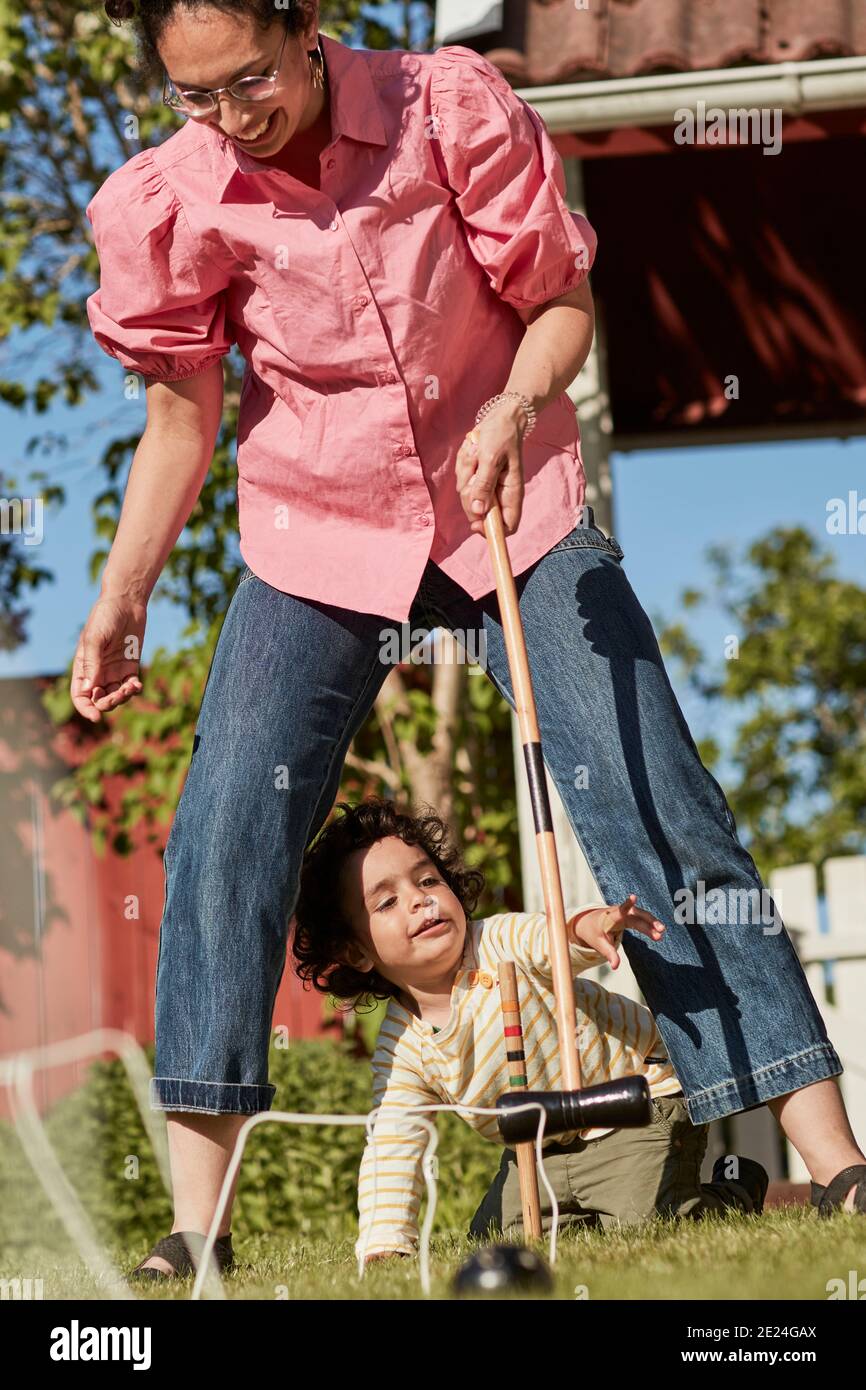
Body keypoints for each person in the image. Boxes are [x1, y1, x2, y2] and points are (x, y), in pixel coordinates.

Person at [75, 2, 864, 1279]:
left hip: (511, 502)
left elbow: (559, 305)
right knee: (225, 823)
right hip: (315, 537)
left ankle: (830, 1159)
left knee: (651, 796)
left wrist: (511, 399)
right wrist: (120, 597)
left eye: (253, 79)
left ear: (309, 26)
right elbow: (180, 421)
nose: (233, 117)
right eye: (196, 95)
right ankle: (193, 1232)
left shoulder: (442, 109)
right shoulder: (175, 196)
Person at [292, 799, 771, 1260]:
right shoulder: (401, 1045)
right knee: (493, 1242)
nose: (420, 900)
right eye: (388, 902)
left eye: (428, 880)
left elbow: (552, 939)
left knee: (647, 1225)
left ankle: (729, 1193)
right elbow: (395, 1142)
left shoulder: (497, 943)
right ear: (356, 953)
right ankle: (580, 1209)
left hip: (633, 1104)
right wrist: (384, 1244)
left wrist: (591, 926)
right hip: (537, 1151)